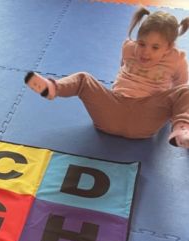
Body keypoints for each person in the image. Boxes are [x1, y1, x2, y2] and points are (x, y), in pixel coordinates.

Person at [25, 7, 189, 148]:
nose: (145, 52)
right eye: (142, 44)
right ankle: (53, 88)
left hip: (145, 119)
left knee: (186, 90)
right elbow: (122, 69)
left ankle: (182, 128)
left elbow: (180, 86)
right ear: (137, 39)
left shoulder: (176, 60)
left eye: (155, 47)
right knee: (83, 79)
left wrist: (173, 113)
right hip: (111, 114)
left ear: (169, 47)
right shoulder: (128, 48)